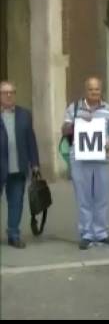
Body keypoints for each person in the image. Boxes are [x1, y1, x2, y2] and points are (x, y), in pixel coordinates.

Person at [61, 77, 109, 250]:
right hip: (80, 158)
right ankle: (86, 233)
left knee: (102, 197)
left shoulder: (108, 109)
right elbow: (64, 130)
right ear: (85, 91)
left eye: (97, 89)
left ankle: (101, 233)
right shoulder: (74, 108)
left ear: (101, 91)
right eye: (91, 89)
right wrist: (77, 124)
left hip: (101, 158)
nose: (94, 92)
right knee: (84, 197)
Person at [0, 81, 40, 249]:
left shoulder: (24, 114)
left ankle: (13, 234)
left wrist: (35, 163)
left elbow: (31, 139)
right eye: (5, 92)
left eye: (12, 92)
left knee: (16, 202)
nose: (9, 95)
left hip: (18, 167)